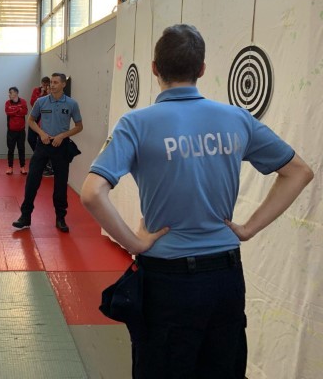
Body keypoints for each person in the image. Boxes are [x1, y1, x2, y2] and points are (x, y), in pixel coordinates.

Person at [80, 24, 313, 379]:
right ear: (202, 69)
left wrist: (135, 243)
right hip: (225, 279)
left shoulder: (136, 124)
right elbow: (299, 172)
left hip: (167, 282)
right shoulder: (236, 118)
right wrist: (248, 228)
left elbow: (92, 192)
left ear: (154, 68)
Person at [13, 73, 82, 233]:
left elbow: (79, 126)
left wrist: (62, 136)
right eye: (51, 82)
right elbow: (30, 121)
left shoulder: (72, 104)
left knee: (60, 184)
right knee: (32, 181)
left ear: (63, 84)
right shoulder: (41, 101)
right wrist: (41, 133)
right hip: (42, 145)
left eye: (56, 82)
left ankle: (60, 218)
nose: (52, 85)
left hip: (61, 146)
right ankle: (25, 217)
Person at [4, 87, 28, 175]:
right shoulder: (7, 103)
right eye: (9, 92)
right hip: (11, 131)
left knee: (21, 149)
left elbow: (25, 112)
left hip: (21, 131)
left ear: (16, 93)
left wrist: (14, 111)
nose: (9, 94)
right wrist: (18, 109)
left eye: (11, 92)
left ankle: (22, 167)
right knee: (11, 149)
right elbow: (8, 112)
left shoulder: (23, 101)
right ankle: (10, 167)